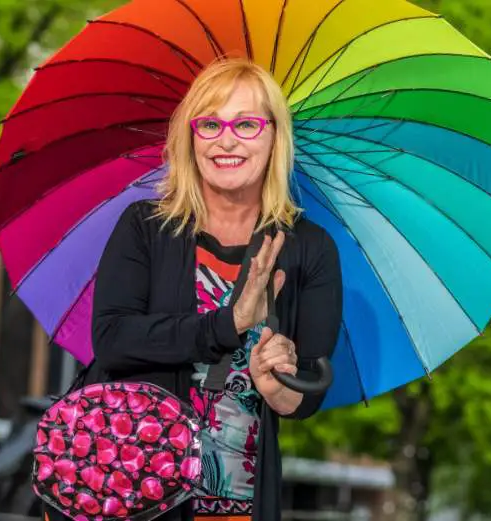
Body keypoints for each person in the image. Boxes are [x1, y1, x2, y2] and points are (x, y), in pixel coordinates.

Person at [79, 58, 342, 521]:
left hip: (239, 504)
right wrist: (230, 323)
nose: (225, 140)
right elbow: (113, 340)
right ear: (190, 136)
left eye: (246, 124)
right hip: (136, 495)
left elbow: (308, 392)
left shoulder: (311, 250)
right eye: (210, 124)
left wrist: (275, 384)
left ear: (275, 137)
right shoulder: (146, 228)